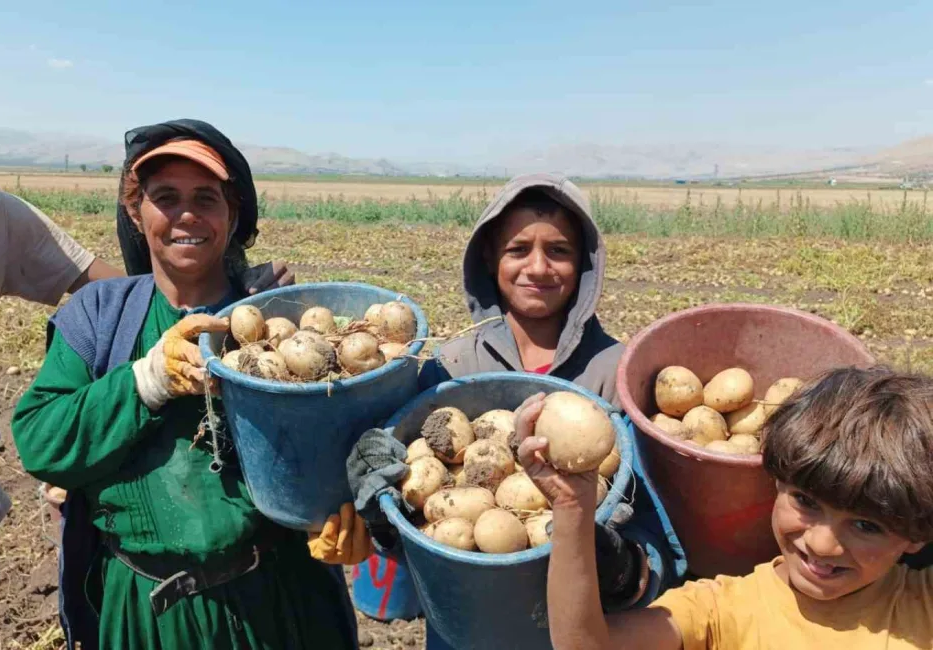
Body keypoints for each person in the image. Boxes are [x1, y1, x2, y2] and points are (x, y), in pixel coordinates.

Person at [0, 4, 289, 648]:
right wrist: (139, 387)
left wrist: (251, 305)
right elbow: (51, 426)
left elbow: (125, 295)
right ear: (136, 211)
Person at [11, 119, 365, 650]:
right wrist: (146, 381)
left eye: (206, 198)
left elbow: (350, 436)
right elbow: (40, 441)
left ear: (233, 213)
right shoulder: (99, 316)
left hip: (278, 600)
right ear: (136, 212)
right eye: (165, 197)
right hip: (145, 613)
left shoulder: (277, 320)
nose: (187, 215)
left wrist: (350, 512)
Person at [347, 174, 686, 647]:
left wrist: (618, 562)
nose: (539, 267)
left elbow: (664, 546)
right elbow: (430, 532)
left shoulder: (617, 373)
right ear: (490, 256)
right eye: (518, 249)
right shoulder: (451, 367)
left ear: (585, 264)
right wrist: (385, 514)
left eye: (560, 251)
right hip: (465, 630)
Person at [517, 366, 933, 650]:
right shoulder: (724, 609)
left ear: (917, 536)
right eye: (805, 502)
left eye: (866, 526)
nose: (823, 544)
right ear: (776, 482)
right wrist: (573, 505)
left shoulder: (923, 604)